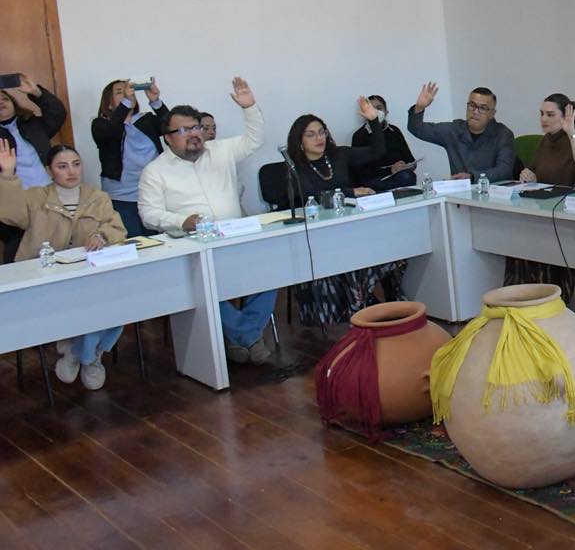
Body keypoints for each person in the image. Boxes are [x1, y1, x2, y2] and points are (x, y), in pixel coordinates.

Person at [138, 78, 276, 365]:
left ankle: (239, 336)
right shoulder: (155, 171)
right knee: (204, 291)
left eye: (196, 128)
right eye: (184, 130)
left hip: (234, 238)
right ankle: (249, 337)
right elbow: (148, 214)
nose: (194, 134)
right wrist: (181, 221)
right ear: (168, 138)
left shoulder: (220, 151)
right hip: (192, 247)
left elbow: (254, 139)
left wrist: (249, 107)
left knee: (270, 274)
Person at [0, 141, 129, 390]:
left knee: (118, 303)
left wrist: (101, 235)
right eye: (62, 166)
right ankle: (89, 356)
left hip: (88, 275)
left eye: (76, 164)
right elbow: (11, 216)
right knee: (84, 306)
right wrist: (7, 175)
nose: (71, 171)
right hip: (47, 278)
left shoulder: (97, 197)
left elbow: (117, 228)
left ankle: (81, 354)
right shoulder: (35, 197)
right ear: (49, 171)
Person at [284, 100, 407, 326]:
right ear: (299, 141)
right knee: (353, 255)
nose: (319, 138)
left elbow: (378, 151)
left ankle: (386, 303)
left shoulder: (338, 155)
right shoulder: (296, 168)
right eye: (311, 135)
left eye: (322, 132)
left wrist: (373, 120)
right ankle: (363, 306)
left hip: (353, 226)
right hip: (323, 235)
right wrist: (351, 191)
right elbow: (313, 195)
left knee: (391, 247)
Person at [513, 94, 575, 310]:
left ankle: (554, 297)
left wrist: (571, 133)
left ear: (565, 117)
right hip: (545, 209)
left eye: (550, 114)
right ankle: (529, 295)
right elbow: (537, 172)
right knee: (518, 237)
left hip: (570, 216)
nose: (543, 119)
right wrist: (530, 176)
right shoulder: (545, 141)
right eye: (541, 114)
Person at [0, 73, 68, 262]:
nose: (1, 102)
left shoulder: (32, 124)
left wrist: (36, 92)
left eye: (5, 99)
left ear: (14, 103)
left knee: (57, 244)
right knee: (19, 251)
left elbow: (57, 113)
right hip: (15, 203)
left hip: (48, 195)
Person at [91, 77, 168, 237]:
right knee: (132, 242)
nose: (128, 94)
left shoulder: (146, 120)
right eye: (120, 92)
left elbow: (171, 128)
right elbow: (111, 131)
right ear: (108, 103)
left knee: (160, 240)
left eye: (129, 91)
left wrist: (155, 101)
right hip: (121, 197)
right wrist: (125, 104)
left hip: (152, 194)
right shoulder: (100, 124)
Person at [407, 82, 515, 184]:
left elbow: (504, 170)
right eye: (472, 105)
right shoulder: (454, 130)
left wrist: (472, 177)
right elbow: (417, 129)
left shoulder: (503, 134)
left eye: (483, 108)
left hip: (493, 191)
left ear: (492, 114)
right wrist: (419, 107)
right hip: (461, 193)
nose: (475, 111)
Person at [350, 95, 417, 191]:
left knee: (408, 176)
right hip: (375, 179)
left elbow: (410, 159)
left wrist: (408, 166)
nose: (375, 112)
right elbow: (360, 172)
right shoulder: (359, 135)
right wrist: (390, 170)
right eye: (371, 108)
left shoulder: (394, 131)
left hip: (399, 176)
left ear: (386, 112)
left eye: (379, 108)